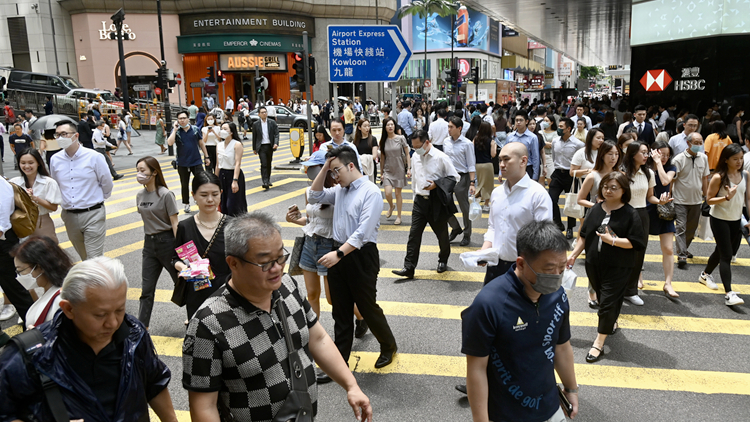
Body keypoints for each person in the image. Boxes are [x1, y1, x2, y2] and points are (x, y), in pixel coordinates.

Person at [182, 212, 373, 422]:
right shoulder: (209, 324)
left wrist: (351, 385)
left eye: (281, 257)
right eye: (265, 262)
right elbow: (204, 407)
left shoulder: (287, 287)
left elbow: (318, 339)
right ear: (233, 263)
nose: (277, 269)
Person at [0, 256, 179, 422]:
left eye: (119, 310)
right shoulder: (30, 354)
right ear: (69, 309)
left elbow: (154, 383)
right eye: (100, 315)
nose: (113, 323)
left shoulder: (134, 334)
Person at [462, 220, 579, 422]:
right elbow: (476, 368)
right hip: (507, 414)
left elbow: (561, 346)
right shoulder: (488, 304)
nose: (557, 276)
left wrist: (571, 389)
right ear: (521, 264)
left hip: (550, 408)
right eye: (549, 268)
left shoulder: (558, 295)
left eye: (562, 267)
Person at [309, 146, 399, 369]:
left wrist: (339, 254)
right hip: (337, 252)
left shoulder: (370, 191)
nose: (335, 177)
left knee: (367, 306)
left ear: (351, 165)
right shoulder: (340, 190)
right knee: (340, 309)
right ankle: (340, 361)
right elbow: (314, 195)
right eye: (332, 172)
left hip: (360, 255)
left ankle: (388, 345)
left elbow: (363, 232)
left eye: (337, 171)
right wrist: (326, 169)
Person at [567, 172, 647, 363]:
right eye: (605, 186)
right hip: (593, 264)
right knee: (605, 300)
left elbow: (637, 242)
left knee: (608, 302)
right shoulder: (595, 209)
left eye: (614, 187)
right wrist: (573, 255)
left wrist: (613, 241)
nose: (608, 190)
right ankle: (610, 321)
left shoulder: (630, 213)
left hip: (619, 266)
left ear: (623, 190)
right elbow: (584, 235)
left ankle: (598, 343)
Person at [480, 142, 554, 284]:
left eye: (507, 159)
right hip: (495, 267)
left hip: (524, 269)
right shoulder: (497, 193)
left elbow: (544, 237)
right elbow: (493, 227)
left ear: (523, 161)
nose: (501, 164)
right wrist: (484, 252)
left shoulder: (537, 194)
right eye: (500, 160)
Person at [392, 130, 460, 279]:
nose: (416, 150)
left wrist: (436, 184)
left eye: (418, 146)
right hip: (420, 202)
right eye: (413, 147)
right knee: (413, 235)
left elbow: (455, 177)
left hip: (436, 202)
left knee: (442, 235)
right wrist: (414, 195)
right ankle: (409, 267)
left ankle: (443, 260)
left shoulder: (441, 157)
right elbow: (415, 178)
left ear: (427, 142)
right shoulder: (416, 156)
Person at [49, 122, 114, 261]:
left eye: (64, 134)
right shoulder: (55, 159)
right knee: (84, 257)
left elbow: (107, 182)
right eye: (57, 134)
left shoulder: (94, 157)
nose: (60, 137)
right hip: (69, 216)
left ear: (76, 136)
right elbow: (56, 185)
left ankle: (100, 282)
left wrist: (97, 199)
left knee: (94, 258)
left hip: (93, 214)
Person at [172, 171, 231, 320]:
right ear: (194, 195)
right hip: (197, 294)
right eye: (204, 195)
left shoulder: (233, 225)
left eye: (215, 194)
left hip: (228, 294)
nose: (210, 199)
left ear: (221, 193)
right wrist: (184, 269)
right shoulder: (185, 227)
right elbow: (174, 258)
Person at [699, 144, 748, 306]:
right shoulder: (719, 177)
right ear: (726, 160)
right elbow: (709, 200)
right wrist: (726, 197)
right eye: (735, 159)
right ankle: (729, 293)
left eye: (741, 158)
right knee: (726, 255)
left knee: (721, 251)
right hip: (719, 219)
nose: (739, 161)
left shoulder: (746, 175)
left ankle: (705, 274)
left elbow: (747, 199)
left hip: (736, 219)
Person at [622, 141, 669, 306]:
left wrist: (660, 202)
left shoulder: (649, 172)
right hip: (623, 214)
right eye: (643, 152)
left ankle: (631, 291)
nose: (646, 155)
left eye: (647, 152)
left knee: (638, 254)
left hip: (642, 214)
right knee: (620, 253)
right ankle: (617, 288)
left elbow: (650, 197)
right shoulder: (622, 172)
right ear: (632, 154)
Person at [135, 156, 180, 329]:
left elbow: (175, 223)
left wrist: (180, 250)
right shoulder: (140, 195)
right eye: (137, 170)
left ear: (154, 172)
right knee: (146, 290)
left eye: (143, 170)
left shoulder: (166, 194)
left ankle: (195, 317)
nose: (139, 174)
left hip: (167, 242)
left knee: (181, 283)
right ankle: (142, 327)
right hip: (149, 244)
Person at [11, 236, 73, 329]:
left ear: (40, 267)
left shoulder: (60, 300)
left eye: (20, 270)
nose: (19, 276)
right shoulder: (59, 289)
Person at [672, 132, 709, 269]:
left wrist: (707, 197)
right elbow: (673, 180)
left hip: (696, 201)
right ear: (688, 143)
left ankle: (684, 248)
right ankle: (682, 254)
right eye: (696, 143)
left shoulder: (704, 158)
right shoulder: (678, 159)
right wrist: (669, 197)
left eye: (700, 142)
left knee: (692, 230)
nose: (699, 145)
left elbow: (705, 178)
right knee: (681, 227)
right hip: (680, 200)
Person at [0, 176, 34, 324]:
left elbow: (2, 223)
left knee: (14, 288)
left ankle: (34, 327)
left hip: (3, 242)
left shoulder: (2, 185)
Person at [647, 141, 679, 297]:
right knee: (640, 246)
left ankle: (668, 283)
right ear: (654, 153)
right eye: (662, 154)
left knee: (668, 249)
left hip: (665, 209)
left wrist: (659, 163)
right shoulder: (645, 168)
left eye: (667, 155)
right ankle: (637, 279)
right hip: (646, 208)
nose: (665, 157)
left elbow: (666, 181)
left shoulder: (671, 168)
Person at [11, 148, 62, 242]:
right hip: (20, 223)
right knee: (23, 254)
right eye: (23, 163)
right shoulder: (14, 183)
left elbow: (54, 207)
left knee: (48, 253)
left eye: (31, 163)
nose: (27, 166)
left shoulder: (49, 182)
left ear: (38, 163)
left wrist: (34, 198)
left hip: (42, 222)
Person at [167, 111, 211, 213]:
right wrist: (174, 129)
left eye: (184, 118)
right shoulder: (176, 131)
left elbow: (201, 143)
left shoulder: (195, 129)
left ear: (188, 119)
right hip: (182, 163)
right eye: (180, 118)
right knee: (184, 184)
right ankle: (186, 203)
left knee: (201, 182)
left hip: (196, 161)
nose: (182, 120)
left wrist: (207, 156)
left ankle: (200, 201)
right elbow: (170, 143)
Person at [549, 118, 585, 239]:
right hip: (558, 173)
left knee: (571, 202)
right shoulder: (555, 141)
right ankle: (558, 224)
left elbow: (581, 160)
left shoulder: (578, 144)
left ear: (569, 129)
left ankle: (570, 227)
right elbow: (554, 157)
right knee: (551, 199)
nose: (559, 129)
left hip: (571, 175)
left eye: (561, 127)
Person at [444, 116, 477, 246]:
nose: (449, 129)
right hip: (448, 176)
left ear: (459, 128)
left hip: (462, 177)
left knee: (464, 207)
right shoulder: (446, 141)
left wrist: (472, 182)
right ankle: (456, 227)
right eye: (448, 127)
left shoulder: (467, 143)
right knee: (444, 203)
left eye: (451, 127)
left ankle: (467, 234)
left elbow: (471, 164)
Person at [379, 117, 411, 225]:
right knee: (387, 193)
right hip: (388, 169)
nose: (390, 126)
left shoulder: (401, 138)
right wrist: (381, 172)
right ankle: (391, 206)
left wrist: (409, 168)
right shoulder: (383, 141)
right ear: (385, 127)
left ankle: (399, 216)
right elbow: (382, 158)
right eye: (388, 125)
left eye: (392, 124)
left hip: (399, 168)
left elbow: (407, 153)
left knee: (398, 193)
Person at [215, 122, 247, 216]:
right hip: (222, 175)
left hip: (233, 174)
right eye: (222, 128)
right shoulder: (219, 145)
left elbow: (238, 163)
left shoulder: (237, 144)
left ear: (231, 132)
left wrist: (235, 180)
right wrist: (215, 180)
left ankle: (238, 225)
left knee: (233, 204)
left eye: (225, 129)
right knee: (223, 204)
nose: (222, 131)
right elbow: (218, 164)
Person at [506, 110, 540, 179]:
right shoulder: (510, 137)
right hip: (513, 167)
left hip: (527, 168)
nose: (518, 122)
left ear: (526, 122)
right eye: (516, 120)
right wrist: (502, 172)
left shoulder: (532, 137)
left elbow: (535, 158)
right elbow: (505, 155)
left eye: (521, 120)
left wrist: (535, 176)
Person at [252, 106, 280, 190]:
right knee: (263, 164)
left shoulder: (272, 122)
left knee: (268, 163)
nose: (264, 114)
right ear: (259, 114)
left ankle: (268, 179)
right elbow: (254, 137)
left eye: (265, 112)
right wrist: (254, 148)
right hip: (261, 147)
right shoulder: (256, 124)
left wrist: (276, 143)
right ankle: (265, 181)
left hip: (270, 146)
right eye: (262, 112)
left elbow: (276, 134)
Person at [473, 121, 497, 210]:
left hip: (477, 164)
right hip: (487, 165)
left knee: (480, 183)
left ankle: (474, 200)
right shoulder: (491, 141)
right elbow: (493, 154)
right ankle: (486, 204)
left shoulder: (475, 139)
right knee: (488, 185)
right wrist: (494, 146)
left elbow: (472, 151)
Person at [354, 118, 379, 183]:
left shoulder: (373, 139)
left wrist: (361, 157)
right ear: (359, 128)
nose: (367, 128)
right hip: (359, 167)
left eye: (368, 126)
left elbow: (374, 156)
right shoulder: (356, 141)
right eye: (365, 126)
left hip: (370, 167)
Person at [541, 115, 557, 184]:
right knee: (541, 178)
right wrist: (545, 144)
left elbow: (552, 144)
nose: (545, 122)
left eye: (547, 121)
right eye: (544, 120)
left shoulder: (555, 133)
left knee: (550, 178)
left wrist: (545, 143)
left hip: (551, 157)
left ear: (552, 122)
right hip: (541, 157)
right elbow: (542, 143)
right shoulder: (540, 132)